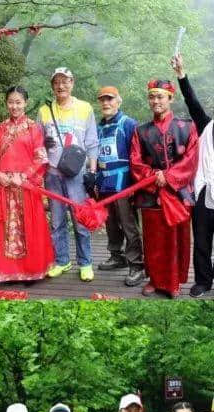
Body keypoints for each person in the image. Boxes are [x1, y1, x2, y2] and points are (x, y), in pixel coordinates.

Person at [130, 79, 199, 299]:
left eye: (160, 96)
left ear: (171, 98)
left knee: (176, 240)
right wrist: (153, 177)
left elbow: (191, 159)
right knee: (153, 240)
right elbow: (135, 161)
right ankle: (155, 280)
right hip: (151, 193)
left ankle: (174, 282)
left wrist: (167, 176)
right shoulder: (141, 131)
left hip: (178, 192)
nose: (156, 101)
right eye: (152, 96)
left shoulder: (186, 126)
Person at [37, 67, 99, 282]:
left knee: (80, 218)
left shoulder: (85, 108)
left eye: (65, 81)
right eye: (56, 82)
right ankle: (62, 260)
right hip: (52, 172)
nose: (61, 86)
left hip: (77, 173)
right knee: (56, 220)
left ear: (72, 83)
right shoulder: (45, 110)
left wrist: (92, 171)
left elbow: (92, 142)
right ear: (52, 86)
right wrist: (42, 143)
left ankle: (86, 262)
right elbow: (37, 141)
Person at [0, 86, 54, 283]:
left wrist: (24, 176)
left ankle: (31, 271)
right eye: (11, 102)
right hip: (5, 187)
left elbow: (41, 158)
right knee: (7, 228)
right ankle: (10, 272)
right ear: (6, 103)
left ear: (25, 103)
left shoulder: (34, 127)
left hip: (25, 187)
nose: (14, 106)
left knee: (29, 228)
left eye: (18, 102)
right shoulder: (0, 129)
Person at [171, 54, 214, 298]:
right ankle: (203, 281)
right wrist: (181, 74)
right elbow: (191, 100)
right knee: (201, 241)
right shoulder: (206, 125)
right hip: (204, 192)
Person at [95, 87, 144, 287]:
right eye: (103, 100)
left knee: (129, 225)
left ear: (119, 101)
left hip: (124, 183)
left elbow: (137, 156)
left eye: (110, 99)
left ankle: (137, 265)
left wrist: (135, 185)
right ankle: (117, 256)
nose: (106, 103)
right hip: (104, 183)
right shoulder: (98, 127)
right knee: (111, 224)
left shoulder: (129, 124)